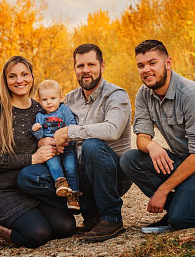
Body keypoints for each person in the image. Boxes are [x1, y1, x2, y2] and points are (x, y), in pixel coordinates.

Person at [18, 44, 132, 242]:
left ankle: (111, 217)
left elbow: (112, 130)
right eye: (80, 66)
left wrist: (70, 132)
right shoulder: (68, 99)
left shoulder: (116, 95)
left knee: (91, 145)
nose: (85, 70)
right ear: (75, 69)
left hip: (113, 173)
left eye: (91, 64)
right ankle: (88, 213)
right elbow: (49, 123)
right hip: (78, 172)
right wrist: (46, 140)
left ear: (102, 66)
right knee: (28, 176)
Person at [120, 39, 195, 233]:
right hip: (185, 161)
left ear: (168, 63)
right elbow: (141, 137)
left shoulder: (192, 95)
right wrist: (151, 146)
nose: (146, 69)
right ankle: (180, 205)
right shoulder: (143, 94)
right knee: (130, 159)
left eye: (152, 63)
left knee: (181, 221)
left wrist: (162, 191)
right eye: (141, 65)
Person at [0, 56, 76, 249]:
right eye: (12, 76)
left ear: (32, 77)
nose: (19, 80)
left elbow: (51, 139)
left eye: (24, 74)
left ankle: (23, 219)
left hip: (31, 187)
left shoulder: (41, 107)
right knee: (37, 235)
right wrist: (32, 158)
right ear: (5, 80)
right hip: (0, 192)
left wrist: (51, 142)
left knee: (66, 227)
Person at [31, 79, 80, 211]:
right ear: (39, 101)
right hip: (51, 148)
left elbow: (72, 124)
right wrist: (36, 129)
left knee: (71, 167)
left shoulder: (64, 110)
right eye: (45, 99)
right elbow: (39, 137)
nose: (49, 102)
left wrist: (66, 138)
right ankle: (61, 184)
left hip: (67, 146)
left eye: (53, 98)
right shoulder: (40, 115)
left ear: (60, 97)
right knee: (53, 164)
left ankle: (74, 195)